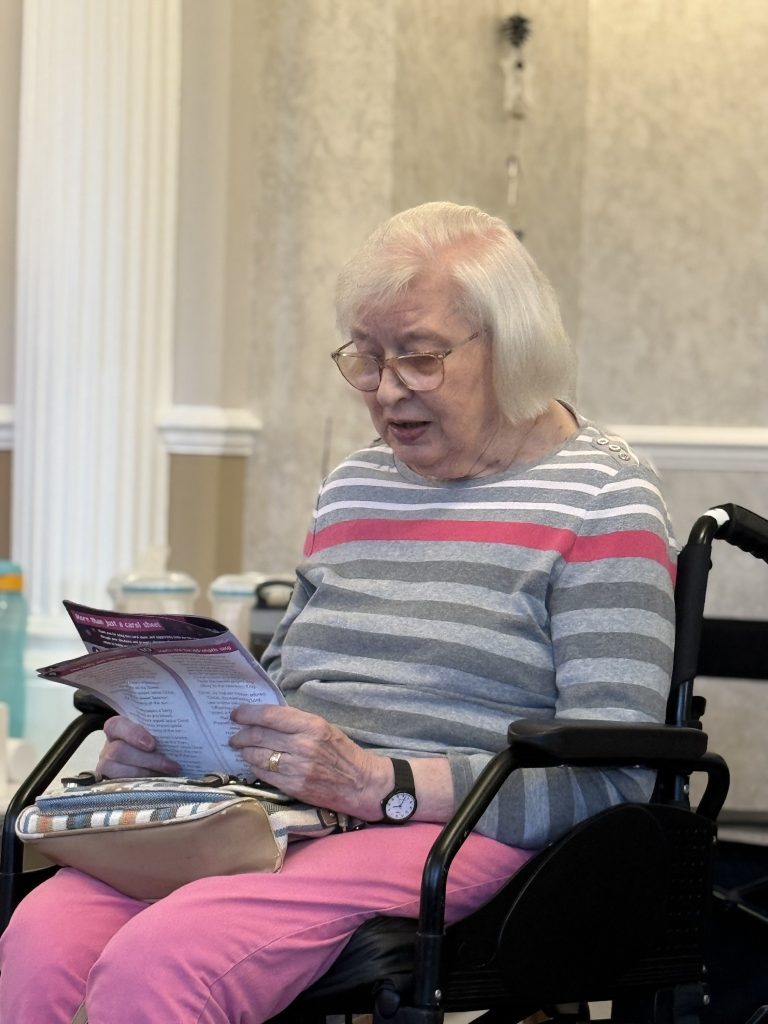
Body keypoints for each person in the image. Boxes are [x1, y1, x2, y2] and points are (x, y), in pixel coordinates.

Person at [0, 202, 677, 1023]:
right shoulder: (356, 484)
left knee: (164, 959)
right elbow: (284, 680)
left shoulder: (606, 498)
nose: (387, 391)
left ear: (510, 348)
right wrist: (178, 743)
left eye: (418, 358)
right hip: (281, 811)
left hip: (449, 823)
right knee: (42, 937)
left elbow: (617, 777)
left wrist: (382, 785)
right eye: (366, 358)